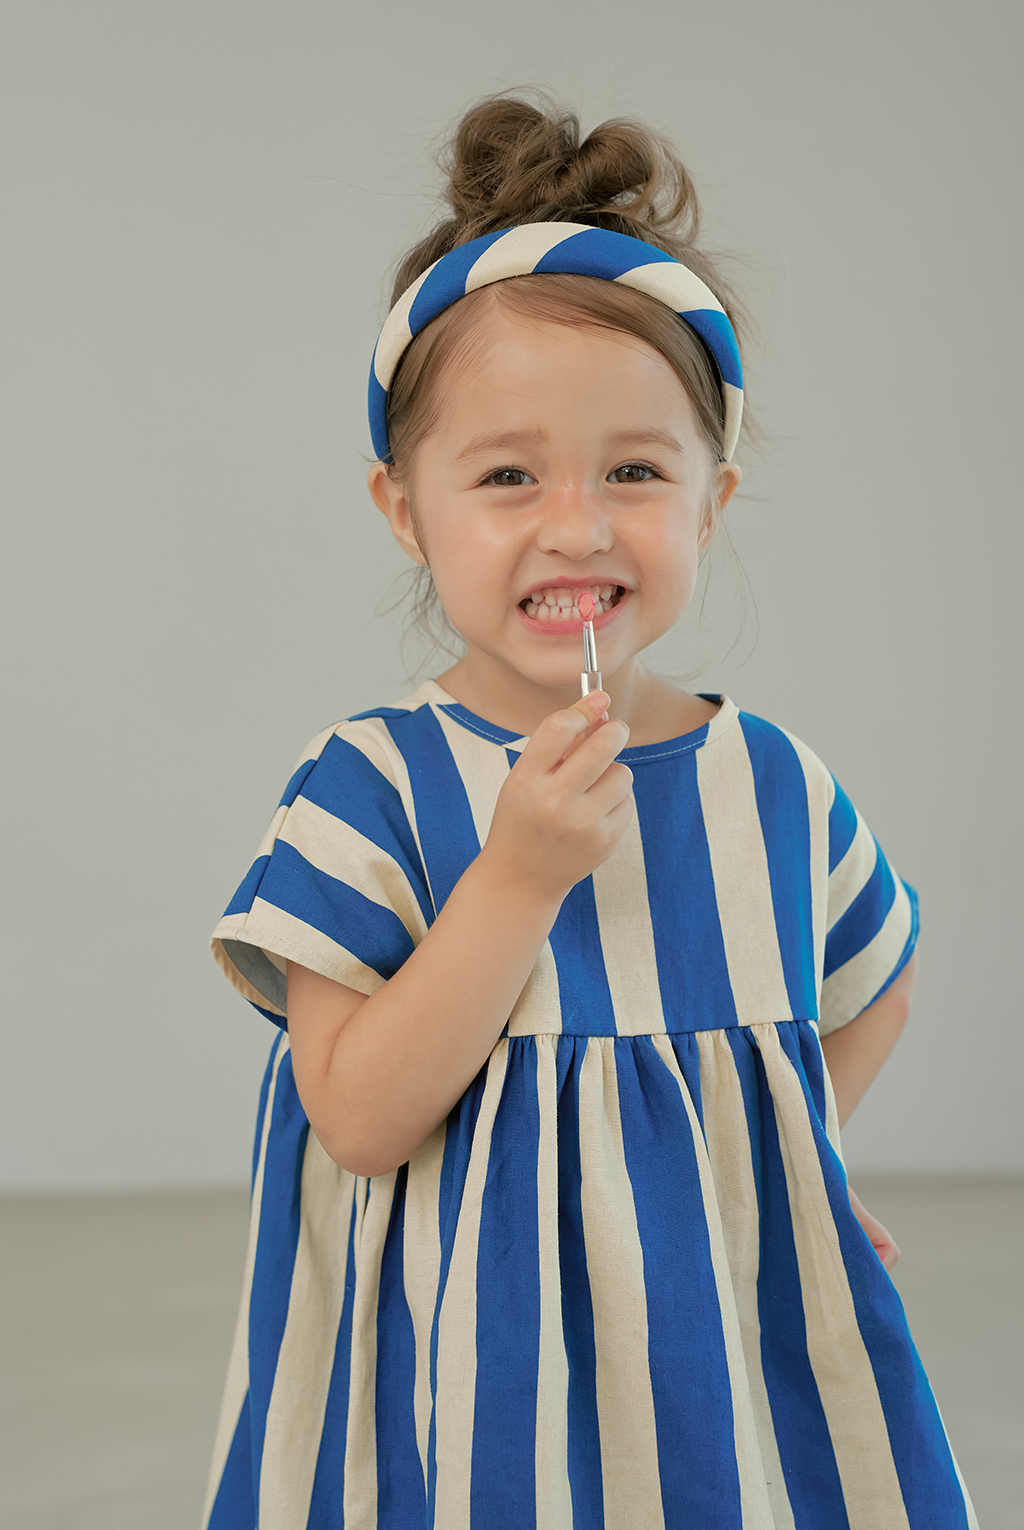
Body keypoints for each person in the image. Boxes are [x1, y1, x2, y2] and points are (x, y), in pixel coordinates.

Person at [201, 93, 977, 1530]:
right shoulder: (373, 785)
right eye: (508, 476)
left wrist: (788, 1158)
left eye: (635, 471)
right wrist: (515, 880)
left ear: (712, 500)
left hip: (703, 1370)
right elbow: (356, 1116)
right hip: (460, 1371)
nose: (578, 524)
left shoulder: (773, 783)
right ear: (404, 508)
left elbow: (881, 978)